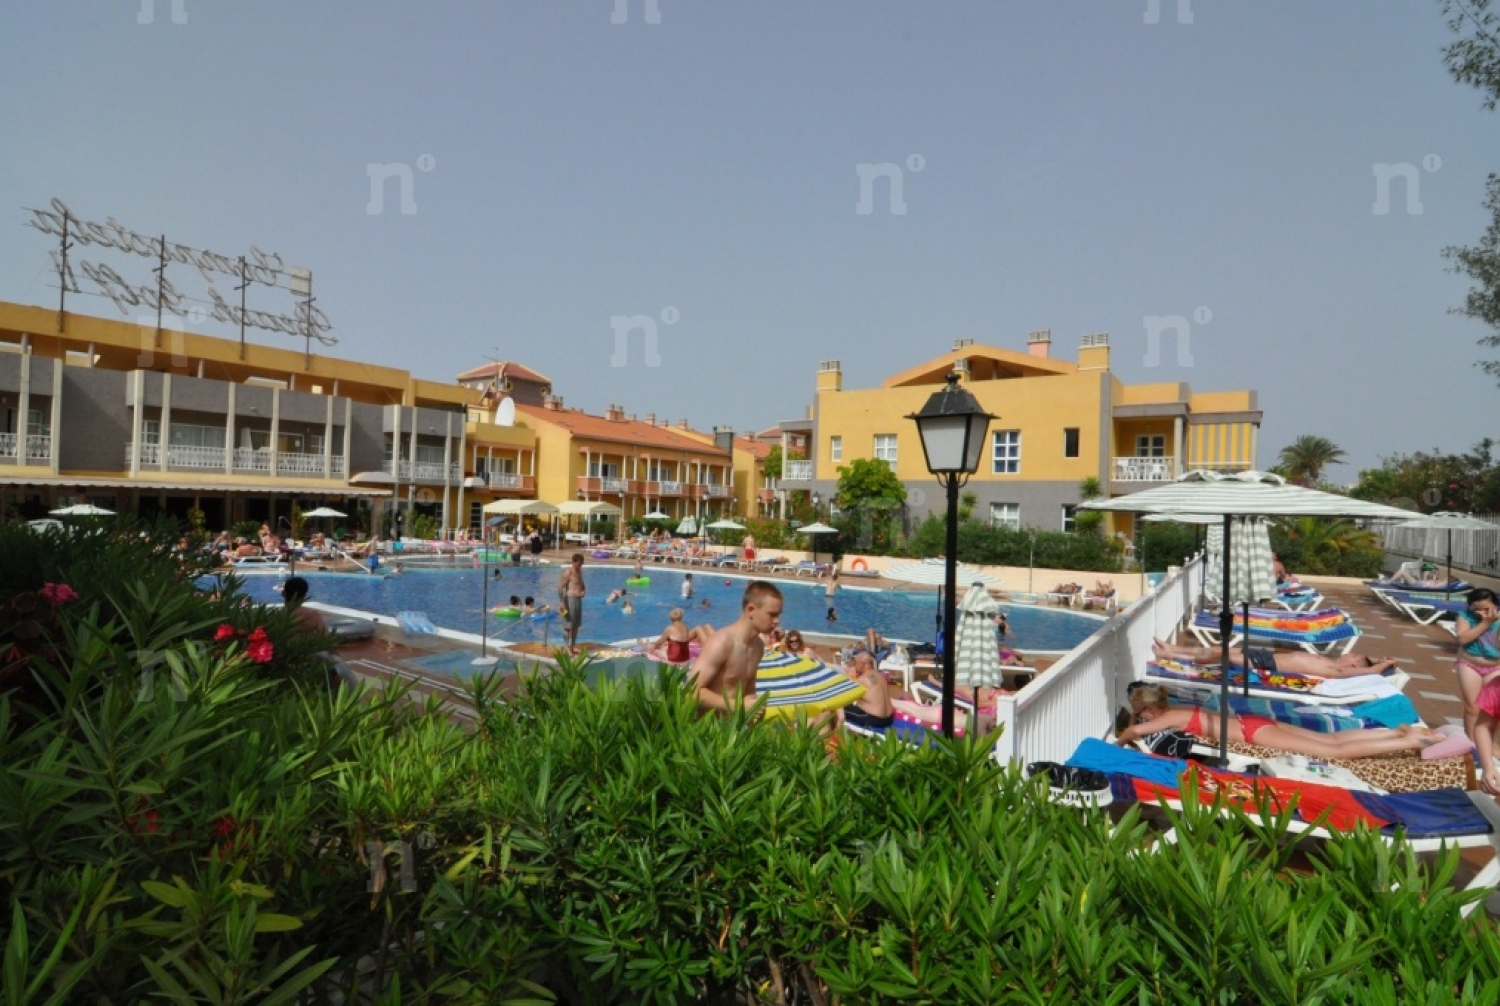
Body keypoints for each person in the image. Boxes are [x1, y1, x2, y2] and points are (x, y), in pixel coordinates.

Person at [1116, 683, 1441, 759]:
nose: (1141, 717)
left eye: (1141, 712)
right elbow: (1140, 724)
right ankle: (1399, 734)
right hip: (1251, 722)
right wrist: (1135, 718)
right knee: (1332, 741)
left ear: (1150, 709)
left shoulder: (1167, 717)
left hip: (1253, 732)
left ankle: (1412, 740)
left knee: (1334, 752)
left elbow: (1135, 730)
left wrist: (1119, 742)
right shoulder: (1175, 709)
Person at [691, 581, 784, 713]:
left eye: (778, 615)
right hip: (707, 724)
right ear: (751, 610)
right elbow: (691, 691)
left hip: (733, 724)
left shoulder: (758, 646)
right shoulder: (722, 642)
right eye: (772, 614)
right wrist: (736, 705)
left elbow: (748, 692)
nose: (777, 620)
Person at [1150, 638, 1400, 680]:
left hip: (1266, 665)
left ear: (1354, 664)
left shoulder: (1336, 670)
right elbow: (1367, 665)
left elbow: (1370, 671)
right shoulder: (1331, 662)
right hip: (1267, 657)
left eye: (1354, 655)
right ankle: (1174, 649)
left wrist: (1384, 665)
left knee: (1220, 654)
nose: (1350, 653)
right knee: (1220, 649)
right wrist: (1379, 658)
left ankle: (1170, 654)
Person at [1455, 588, 1500, 757]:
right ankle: (1471, 742)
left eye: (1486, 609)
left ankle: (1490, 744)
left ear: (1496, 606)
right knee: (1472, 707)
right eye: (1476, 609)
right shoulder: (1465, 616)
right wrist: (1485, 623)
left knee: (1491, 710)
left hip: (1495, 666)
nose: (1481, 612)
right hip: (1469, 664)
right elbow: (1463, 638)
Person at [841, 649, 895, 731]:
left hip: (874, 719)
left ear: (861, 664)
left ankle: (836, 733)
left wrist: (847, 675)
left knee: (838, 708)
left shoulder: (863, 679)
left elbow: (845, 693)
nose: (854, 666)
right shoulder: (880, 676)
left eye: (855, 663)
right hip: (889, 719)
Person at [559, 553, 587, 654]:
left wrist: (583, 591)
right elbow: (560, 588)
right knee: (568, 625)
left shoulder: (579, 572)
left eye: (581, 564)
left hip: (578, 600)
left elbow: (581, 585)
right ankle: (566, 647)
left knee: (576, 626)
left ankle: (573, 646)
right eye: (579, 564)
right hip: (569, 600)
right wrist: (562, 603)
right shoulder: (568, 572)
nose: (580, 566)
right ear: (573, 562)